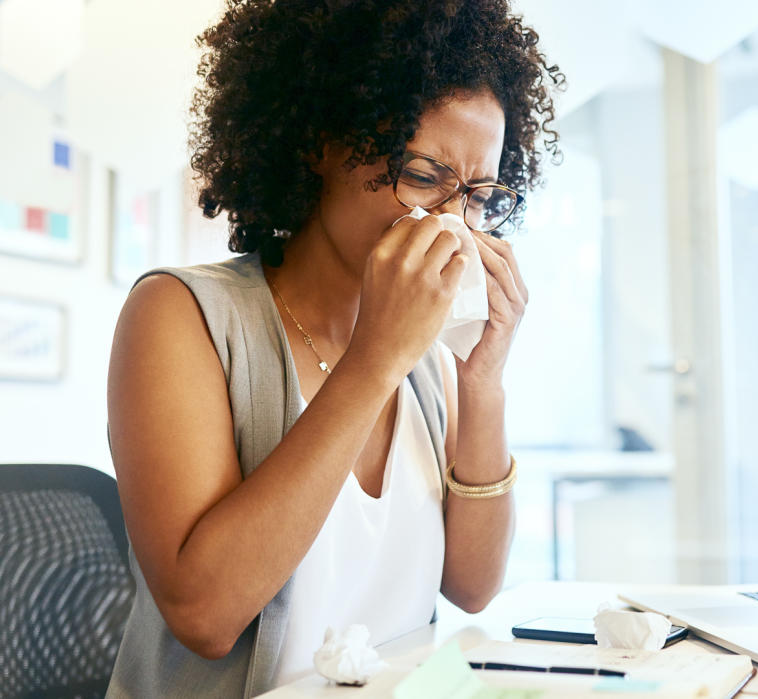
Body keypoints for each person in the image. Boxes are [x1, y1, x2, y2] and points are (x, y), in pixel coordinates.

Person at [104, 0, 563, 695]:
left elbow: (473, 586)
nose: (453, 224)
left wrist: (483, 380)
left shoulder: (429, 360)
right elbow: (204, 613)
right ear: (323, 142)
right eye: (424, 175)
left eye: (476, 194)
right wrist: (374, 360)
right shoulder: (179, 315)